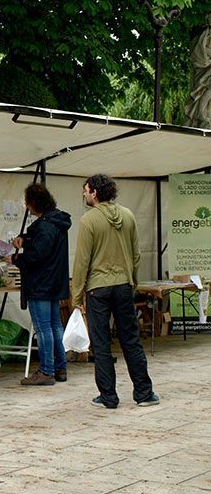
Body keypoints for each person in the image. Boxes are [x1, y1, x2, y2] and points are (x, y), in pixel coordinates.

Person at [72, 174, 160, 409]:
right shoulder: (128, 215)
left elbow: (82, 261)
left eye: (86, 190)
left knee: (101, 343)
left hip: (97, 289)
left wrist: (76, 295)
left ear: (95, 193)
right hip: (123, 285)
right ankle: (144, 393)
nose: (84, 194)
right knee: (130, 339)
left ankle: (109, 397)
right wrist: (132, 281)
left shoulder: (88, 220)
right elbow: (136, 254)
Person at [6, 183, 71, 386]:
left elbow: (37, 255)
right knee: (55, 326)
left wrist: (15, 260)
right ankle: (60, 368)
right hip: (54, 282)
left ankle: (46, 371)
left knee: (43, 329)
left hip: (41, 283)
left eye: (27, 201)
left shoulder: (44, 225)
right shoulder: (56, 221)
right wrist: (24, 239)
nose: (26, 205)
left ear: (34, 203)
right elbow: (43, 245)